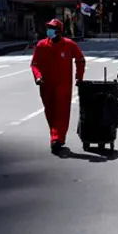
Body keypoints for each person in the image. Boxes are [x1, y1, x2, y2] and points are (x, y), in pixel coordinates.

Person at [30, 18, 86, 157]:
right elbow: (34, 64)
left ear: (59, 31)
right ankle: (55, 136)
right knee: (50, 112)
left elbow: (80, 59)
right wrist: (38, 77)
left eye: (52, 28)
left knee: (61, 113)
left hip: (63, 86)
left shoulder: (69, 45)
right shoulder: (42, 45)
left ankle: (57, 139)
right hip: (46, 85)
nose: (49, 30)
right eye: (48, 27)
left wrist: (79, 77)